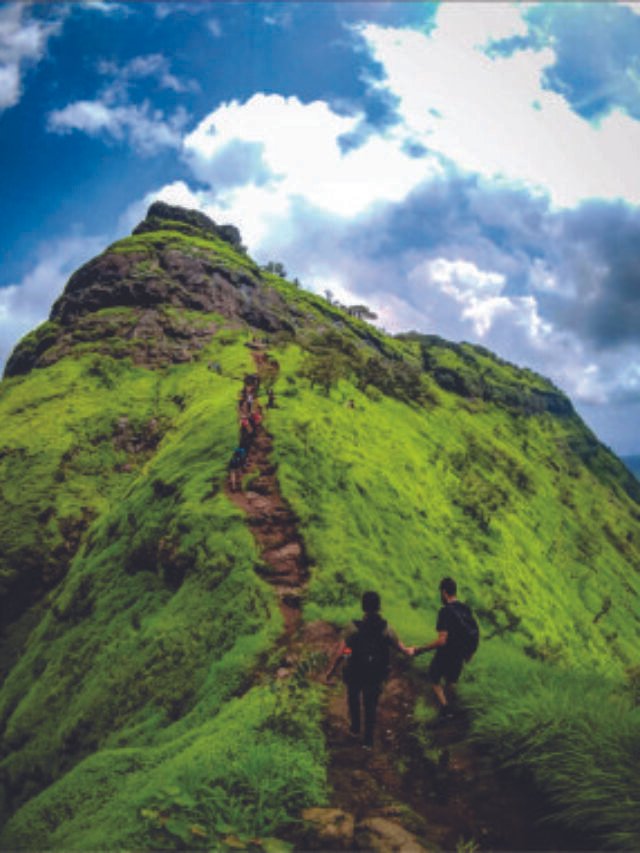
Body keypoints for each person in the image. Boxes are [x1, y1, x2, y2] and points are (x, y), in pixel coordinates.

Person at [326, 591, 413, 749]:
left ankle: (355, 727)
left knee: (353, 698)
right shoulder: (386, 628)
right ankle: (368, 740)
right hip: (375, 673)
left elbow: (341, 651)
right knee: (370, 705)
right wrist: (412, 651)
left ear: (363, 606)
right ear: (379, 607)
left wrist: (331, 670)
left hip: (354, 670)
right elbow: (401, 648)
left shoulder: (353, 627)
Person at [413, 577, 477, 720]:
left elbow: (442, 641)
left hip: (446, 653)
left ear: (444, 592)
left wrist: (420, 650)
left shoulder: (445, 611)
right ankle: (452, 708)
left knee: (433, 677)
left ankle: (445, 709)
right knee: (451, 681)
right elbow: (472, 632)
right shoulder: (465, 609)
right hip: (460, 654)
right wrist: (469, 653)